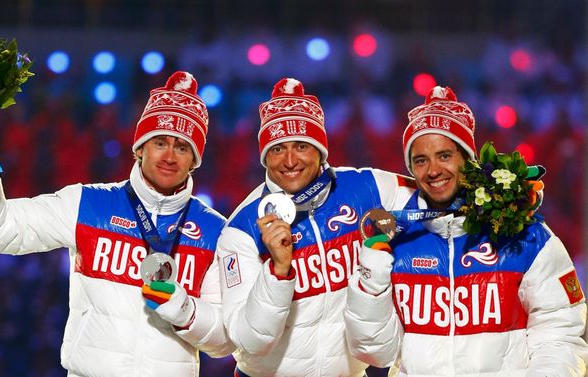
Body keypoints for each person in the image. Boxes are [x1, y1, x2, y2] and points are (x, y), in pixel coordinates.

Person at [0, 71, 235, 376]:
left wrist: (184, 309)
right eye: (160, 142)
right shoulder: (87, 205)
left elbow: (224, 340)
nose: (169, 156)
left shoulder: (214, 231)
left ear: (194, 160)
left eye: (182, 147)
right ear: (139, 148)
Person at [344, 86, 588, 376]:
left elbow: (560, 330)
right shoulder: (397, 238)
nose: (433, 170)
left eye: (444, 155)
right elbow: (375, 352)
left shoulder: (523, 231)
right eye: (420, 160)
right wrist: (372, 277)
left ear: (468, 159)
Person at [216, 78, 417, 376]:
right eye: (277, 149)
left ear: (320, 150)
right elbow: (249, 341)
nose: (290, 160)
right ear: (264, 157)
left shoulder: (367, 188)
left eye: (301, 146)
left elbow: (434, 201)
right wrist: (277, 273)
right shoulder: (242, 228)